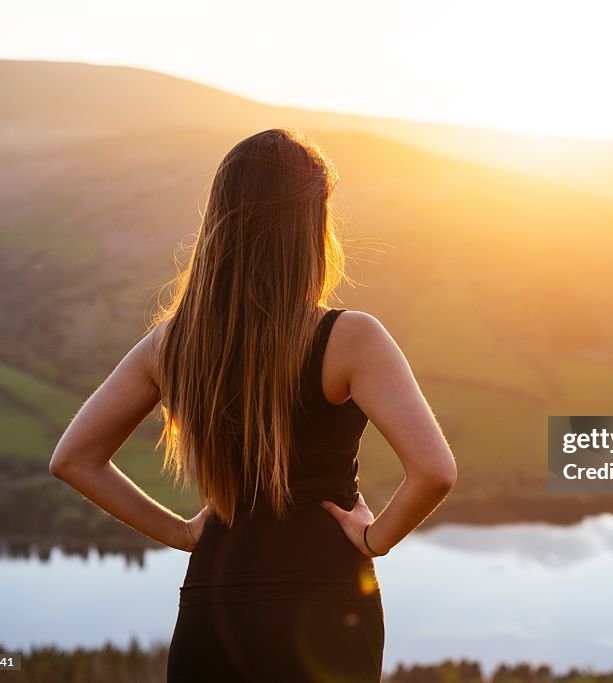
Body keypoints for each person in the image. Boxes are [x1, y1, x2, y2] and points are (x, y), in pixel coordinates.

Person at [48, 128, 458, 682]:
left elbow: (73, 458)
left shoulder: (174, 343)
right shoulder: (350, 339)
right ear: (312, 226)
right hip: (326, 602)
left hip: (213, 601)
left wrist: (185, 534)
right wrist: (372, 539)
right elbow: (433, 471)